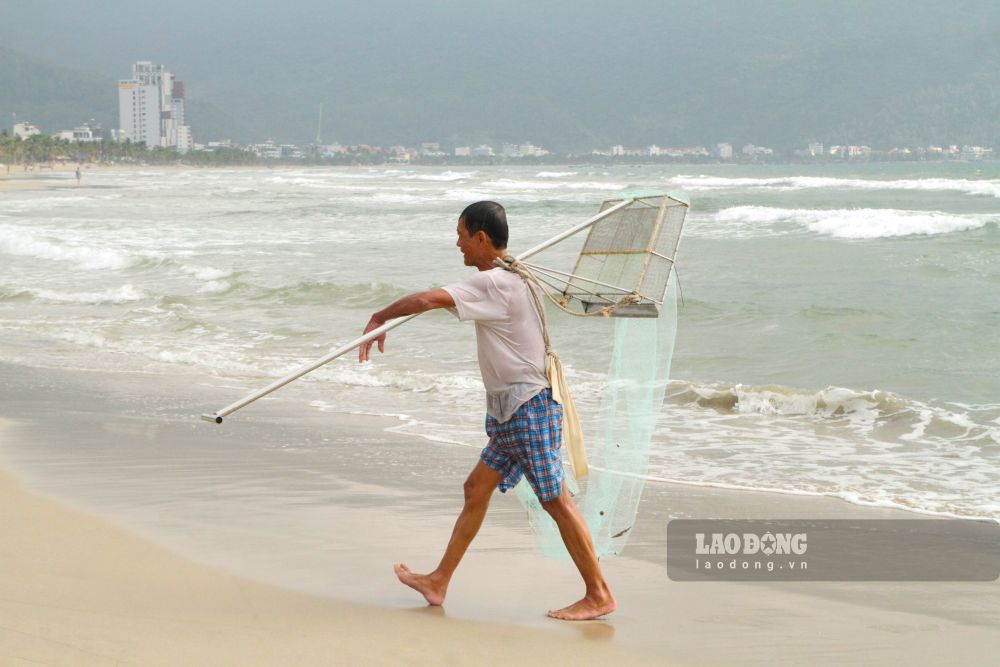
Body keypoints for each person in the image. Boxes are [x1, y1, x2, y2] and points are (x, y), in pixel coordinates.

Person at [359, 201, 616, 621]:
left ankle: (599, 593)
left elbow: (427, 299)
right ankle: (438, 581)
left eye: (461, 235)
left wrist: (379, 317)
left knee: (556, 501)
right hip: (509, 414)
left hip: (527, 409)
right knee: (475, 490)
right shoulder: (514, 277)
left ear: (481, 238)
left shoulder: (498, 282)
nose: (457, 244)